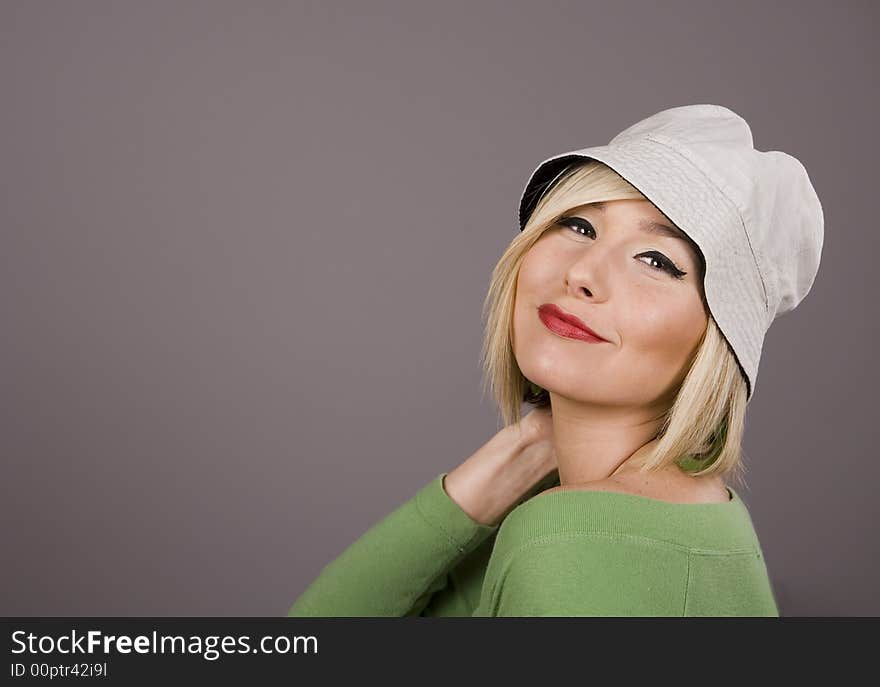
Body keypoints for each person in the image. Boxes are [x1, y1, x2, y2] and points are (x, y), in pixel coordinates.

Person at [286, 104, 824, 617]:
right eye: (579, 225)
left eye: (656, 260)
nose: (583, 273)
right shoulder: (698, 520)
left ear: (720, 336)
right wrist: (497, 474)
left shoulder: (567, 541)